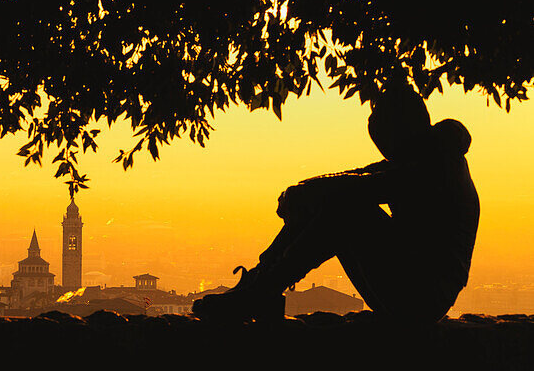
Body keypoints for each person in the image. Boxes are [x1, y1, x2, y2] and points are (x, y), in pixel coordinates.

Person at [193, 83, 479, 325]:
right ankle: (260, 283)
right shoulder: (418, 157)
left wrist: (305, 193)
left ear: (403, 129)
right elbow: (358, 175)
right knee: (337, 201)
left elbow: (364, 187)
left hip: (421, 298)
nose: (382, 146)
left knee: (345, 210)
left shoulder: (434, 167)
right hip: (410, 288)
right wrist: (305, 190)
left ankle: (260, 290)